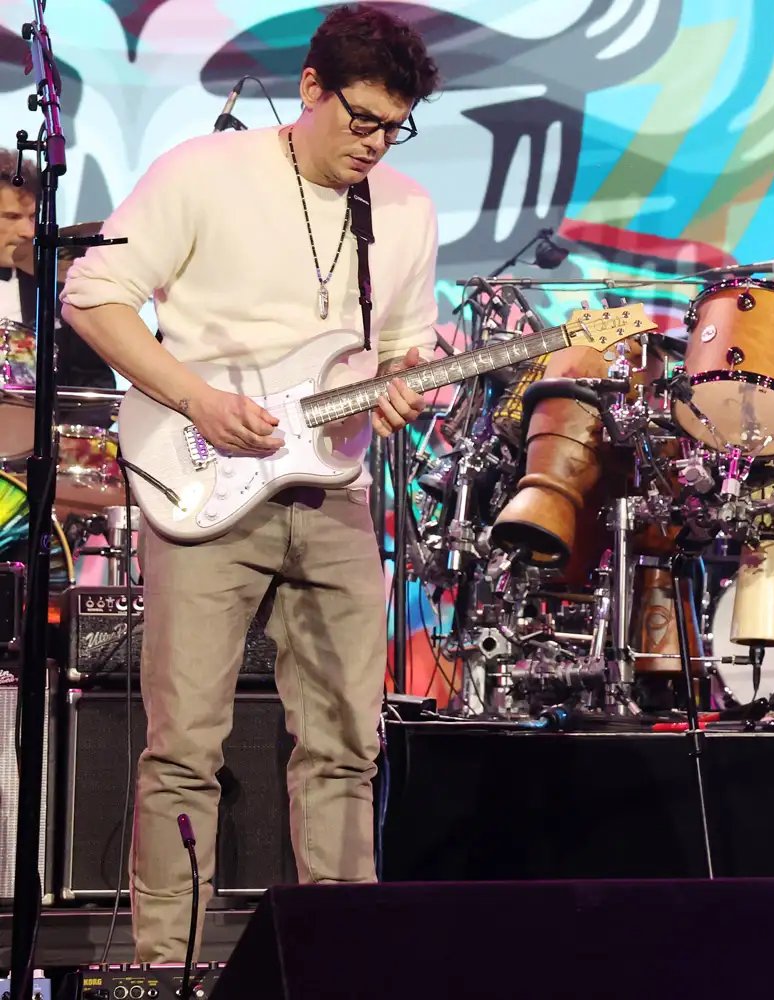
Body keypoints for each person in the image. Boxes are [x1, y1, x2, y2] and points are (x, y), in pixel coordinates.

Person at [61, 4, 440, 964]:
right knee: (185, 747)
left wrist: (403, 391)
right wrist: (195, 400)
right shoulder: (203, 172)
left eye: (393, 127)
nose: (374, 144)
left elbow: (399, 353)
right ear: (310, 88)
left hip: (335, 491)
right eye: (360, 119)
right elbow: (95, 297)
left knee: (351, 744)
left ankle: (343, 966)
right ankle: (167, 967)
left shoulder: (405, 208)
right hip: (205, 479)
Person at [0, 149, 115, 389]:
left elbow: (95, 382)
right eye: (11, 216)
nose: (29, 231)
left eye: (32, 217)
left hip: (35, 423)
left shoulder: (57, 287)